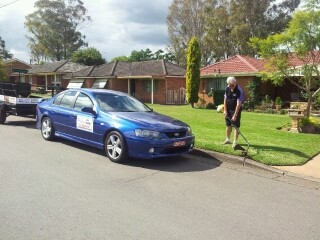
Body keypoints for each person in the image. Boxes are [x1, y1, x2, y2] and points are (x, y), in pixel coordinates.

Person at [223, 76, 244, 148]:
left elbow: (239, 104)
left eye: (233, 85)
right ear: (228, 84)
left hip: (235, 110)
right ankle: (227, 139)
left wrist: (235, 115)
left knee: (236, 126)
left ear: (235, 83)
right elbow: (225, 100)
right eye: (230, 85)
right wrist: (225, 110)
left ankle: (235, 141)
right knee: (228, 125)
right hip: (228, 109)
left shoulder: (239, 90)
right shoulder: (227, 89)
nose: (231, 87)